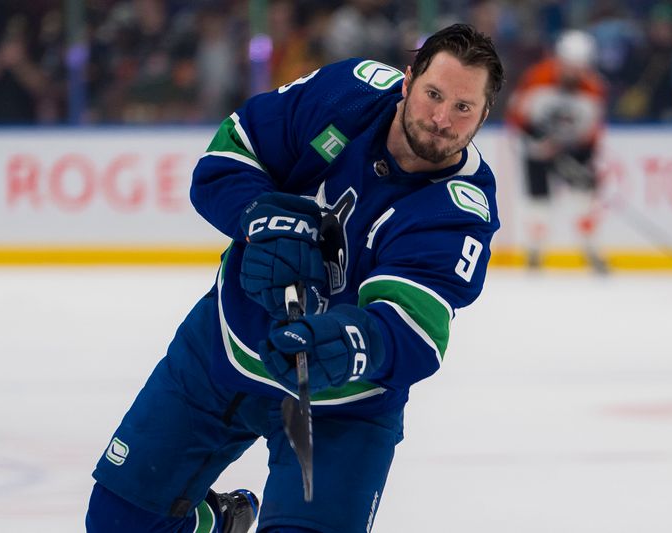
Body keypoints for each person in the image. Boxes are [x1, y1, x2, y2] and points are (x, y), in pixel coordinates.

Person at [86, 23, 504, 533]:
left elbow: (414, 331)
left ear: (484, 114)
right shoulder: (348, 95)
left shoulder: (461, 207)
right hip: (221, 350)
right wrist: (258, 216)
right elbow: (226, 158)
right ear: (407, 81)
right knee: (119, 523)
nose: (441, 118)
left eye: (463, 108)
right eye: (433, 95)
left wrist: (345, 342)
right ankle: (217, 524)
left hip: (344, 406)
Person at [504, 29, 608, 273]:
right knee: (538, 200)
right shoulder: (537, 77)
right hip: (537, 149)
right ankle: (534, 253)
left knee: (585, 198)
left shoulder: (593, 88)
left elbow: (592, 131)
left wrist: (584, 158)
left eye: (579, 67)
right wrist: (537, 140)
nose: (573, 72)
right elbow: (516, 115)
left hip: (572, 151)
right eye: (569, 65)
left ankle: (591, 250)